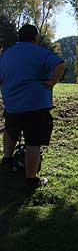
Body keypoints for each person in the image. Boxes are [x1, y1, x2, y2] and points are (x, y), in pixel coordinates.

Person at [0, 24, 65, 188]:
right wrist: (51, 82)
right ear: (35, 37)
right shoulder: (41, 52)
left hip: (12, 105)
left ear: (19, 37)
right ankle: (31, 179)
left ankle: (7, 161)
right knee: (33, 142)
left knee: (10, 131)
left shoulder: (7, 55)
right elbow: (60, 65)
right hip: (36, 105)